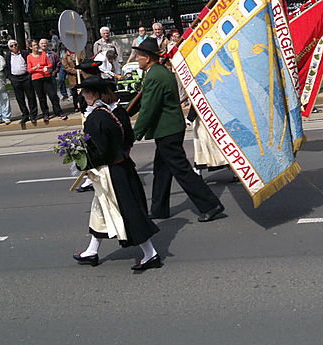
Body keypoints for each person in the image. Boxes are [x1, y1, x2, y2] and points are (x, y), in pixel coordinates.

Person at [127, 38, 224, 222]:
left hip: (168, 131)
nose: (136, 59)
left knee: (182, 171)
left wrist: (133, 135)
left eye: (139, 56)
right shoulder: (157, 72)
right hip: (168, 129)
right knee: (162, 170)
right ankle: (159, 209)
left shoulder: (155, 76)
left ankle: (211, 205)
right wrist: (123, 114)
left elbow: (148, 109)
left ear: (148, 58)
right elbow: (142, 101)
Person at [70, 76, 161, 270]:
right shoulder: (117, 112)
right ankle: (92, 251)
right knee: (100, 209)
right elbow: (128, 138)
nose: (83, 96)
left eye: (85, 92)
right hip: (123, 166)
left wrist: (82, 161)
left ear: (93, 94)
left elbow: (100, 151)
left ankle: (151, 254)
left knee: (127, 212)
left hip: (111, 172)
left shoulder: (95, 118)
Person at [28, 39, 67, 122]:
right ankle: (45, 113)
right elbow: (30, 70)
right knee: (41, 97)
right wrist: (36, 68)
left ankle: (59, 112)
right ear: (31, 47)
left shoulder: (43, 54)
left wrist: (47, 67)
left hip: (46, 77)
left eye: (36, 45)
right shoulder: (29, 57)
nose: (36, 46)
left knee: (53, 95)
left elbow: (49, 64)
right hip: (36, 79)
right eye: (34, 45)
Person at [4, 39, 39, 124]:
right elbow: (7, 68)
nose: (14, 47)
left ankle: (33, 115)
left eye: (15, 45)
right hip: (15, 79)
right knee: (20, 98)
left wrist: (29, 75)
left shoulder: (25, 53)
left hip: (26, 77)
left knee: (31, 96)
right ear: (9, 47)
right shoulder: (8, 56)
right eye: (12, 46)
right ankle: (25, 115)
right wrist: (10, 77)